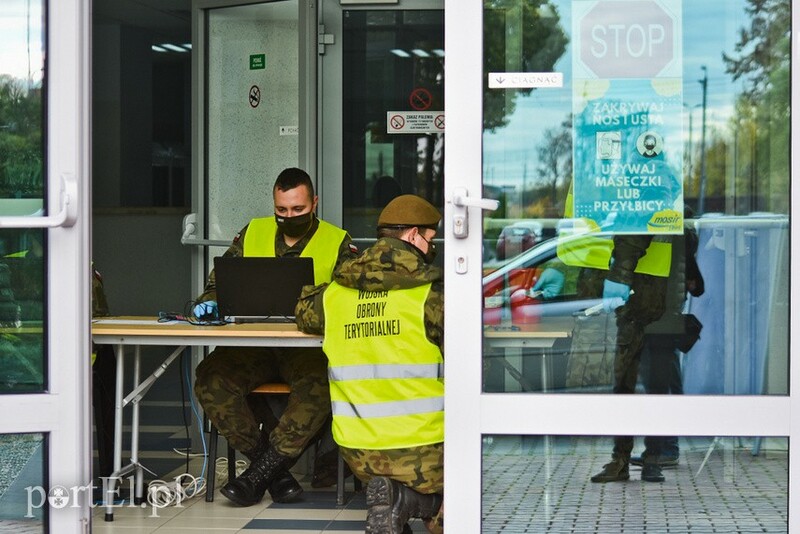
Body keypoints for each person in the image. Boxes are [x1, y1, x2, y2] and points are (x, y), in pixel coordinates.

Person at [192, 167, 358, 506]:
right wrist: (207, 304)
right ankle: (270, 470)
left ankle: (257, 475)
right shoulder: (253, 231)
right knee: (211, 378)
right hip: (255, 345)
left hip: (307, 349)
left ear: (314, 202)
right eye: (281, 210)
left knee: (321, 387)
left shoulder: (337, 240)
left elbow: (348, 296)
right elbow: (217, 284)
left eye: (297, 210)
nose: (289, 216)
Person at [295, 194, 444, 534]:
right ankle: (414, 503)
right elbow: (468, 372)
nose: (430, 248)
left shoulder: (334, 293)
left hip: (357, 453)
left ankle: (394, 503)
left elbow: (303, 310)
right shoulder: (432, 295)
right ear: (412, 235)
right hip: (425, 448)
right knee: (477, 485)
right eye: (429, 239)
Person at [630, 210, 705, 469]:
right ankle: (660, 447)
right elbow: (694, 281)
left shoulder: (672, 234)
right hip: (664, 311)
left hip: (661, 312)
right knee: (661, 378)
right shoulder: (680, 235)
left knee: (662, 380)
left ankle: (666, 447)